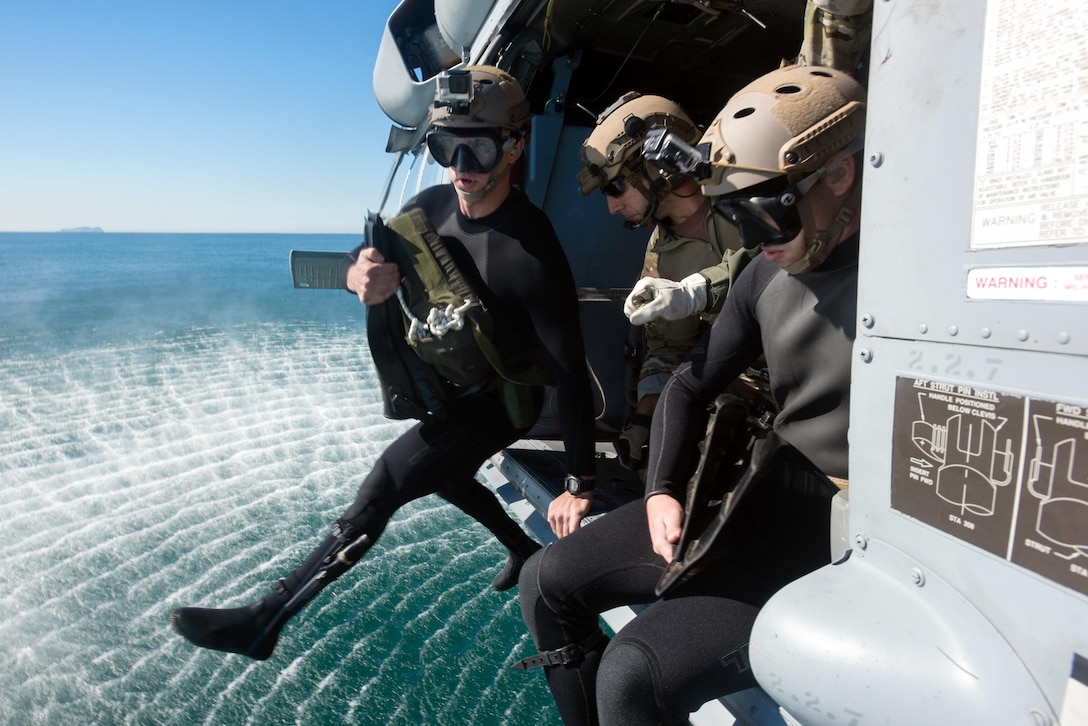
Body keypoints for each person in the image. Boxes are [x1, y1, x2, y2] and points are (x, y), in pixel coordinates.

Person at [171, 65, 598, 661]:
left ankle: (266, 620)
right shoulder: (432, 206)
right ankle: (520, 549)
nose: (462, 165)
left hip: (502, 401)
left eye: (477, 145)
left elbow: (571, 372)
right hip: (450, 383)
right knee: (444, 474)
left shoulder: (530, 250)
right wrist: (355, 274)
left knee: (388, 481)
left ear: (515, 146)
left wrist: (578, 482)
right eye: (445, 146)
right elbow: (368, 253)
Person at [516, 64, 866, 725]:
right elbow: (687, 381)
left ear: (840, 175)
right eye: (737, 215)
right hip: (765, 489)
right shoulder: (767, 276)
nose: (757, 241)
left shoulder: (905, 281)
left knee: (632, 678)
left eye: (763, 211)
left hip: (840, 531)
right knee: (545, 581)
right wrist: (661, 490)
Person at [574, 93, 749, 475]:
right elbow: (668, 345)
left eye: (616, 188)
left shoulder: (746, 191)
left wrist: (698, 292)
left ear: (656, 164)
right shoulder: (659, 248)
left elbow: (775, 262)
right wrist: (645, 415)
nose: (612, 207)